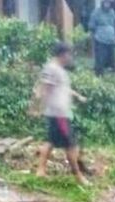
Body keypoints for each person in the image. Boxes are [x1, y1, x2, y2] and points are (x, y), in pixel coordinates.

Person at [34, 42, 90, 186]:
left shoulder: (58, 69)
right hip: (59, 113)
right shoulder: (52, 69)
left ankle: (40, 171)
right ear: (63, 54)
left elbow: (63, 88)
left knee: (50, 141)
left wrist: (78, 96)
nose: (70, 57)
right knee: (71, 145)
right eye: (69, 54)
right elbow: (45, 88)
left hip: (59, 113)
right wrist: (39, 107)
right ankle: (78, 176)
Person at [88, 0, 115, 76]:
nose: (107, 4)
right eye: (106, 2)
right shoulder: (96, 12)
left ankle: (111, 78)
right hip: (100, 39)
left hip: (111, 40)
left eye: (109, 3)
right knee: (100, 61)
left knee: (112, 61)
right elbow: (91, 26)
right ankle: (99, 76)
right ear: (102, 3)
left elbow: (112, 24)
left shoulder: (112, 12)